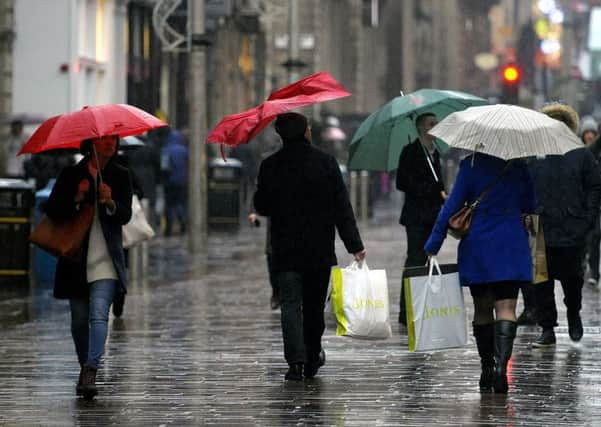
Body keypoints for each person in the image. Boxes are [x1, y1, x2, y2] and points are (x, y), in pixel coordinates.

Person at [254, 112, 366, 381]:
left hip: (285, 248)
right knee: (314, 306)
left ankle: (295, 361)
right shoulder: (326, 164)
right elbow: (342, 208)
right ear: (306, 132)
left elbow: (262, 206)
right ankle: (313, 354)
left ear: (280, 134)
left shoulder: (270, 166)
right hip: (317, 249)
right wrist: (354, 245)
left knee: (290, 305)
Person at [424, 152, 536, 394]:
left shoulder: (471, 165)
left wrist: (433, 244)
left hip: (480, 245)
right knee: (507, 309)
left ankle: (487, 368)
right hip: (510, 244)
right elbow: (531, 205)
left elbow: (451, 207)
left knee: (483, 309)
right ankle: (501, 369)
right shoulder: (519, 166)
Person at [44, 135, 132, 399]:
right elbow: (52, 210)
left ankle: (92, 369)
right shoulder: (72, 174)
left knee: (97, 315)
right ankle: (84, 364)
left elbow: (125, 215)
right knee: (79, 321)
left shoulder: (120, 174)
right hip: (76, 259)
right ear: (91, 144)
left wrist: (110, 203)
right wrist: (77, 197)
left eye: (113, 139)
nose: (110, 144)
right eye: (104, 139)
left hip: (106, 259)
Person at [526, 103, 601, 347]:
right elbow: (524, 187)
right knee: (541, 282)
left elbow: (594, 186)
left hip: (572, 227)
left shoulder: (581, 154)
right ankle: (547, 327)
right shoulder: (534, 156)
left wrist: (587, 218)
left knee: (573, 279)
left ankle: (573, 313)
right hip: (540, 227)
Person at [396, 112, 447, 325]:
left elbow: (440, 183)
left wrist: (442, 192)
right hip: (416, 216)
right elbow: (402, 183)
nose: (435, 126)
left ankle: (422, 303)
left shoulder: (436, 153)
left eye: (436, 123)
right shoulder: (410, 152)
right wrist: (431, 189)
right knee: (415, 259)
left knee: (428, 259)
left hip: (434, 216)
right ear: (421, 128)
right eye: (431, 124)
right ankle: (406, 310)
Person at [581, 119, 601, 288]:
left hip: (596, 202)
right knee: (590, 237)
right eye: (587, 133)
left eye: (592, 133)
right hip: (585, 203)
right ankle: (590, 269)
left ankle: (594, 271)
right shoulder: (583, 153)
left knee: (595, 237)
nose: (589, 136)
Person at [160, 129, 188, 236]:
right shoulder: (184, 150)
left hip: (169, 182)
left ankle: (169, 227)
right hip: (181, 181)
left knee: (169, 204)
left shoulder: (166, 150)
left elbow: (164, 167)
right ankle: (182, 221)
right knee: (179, 202)